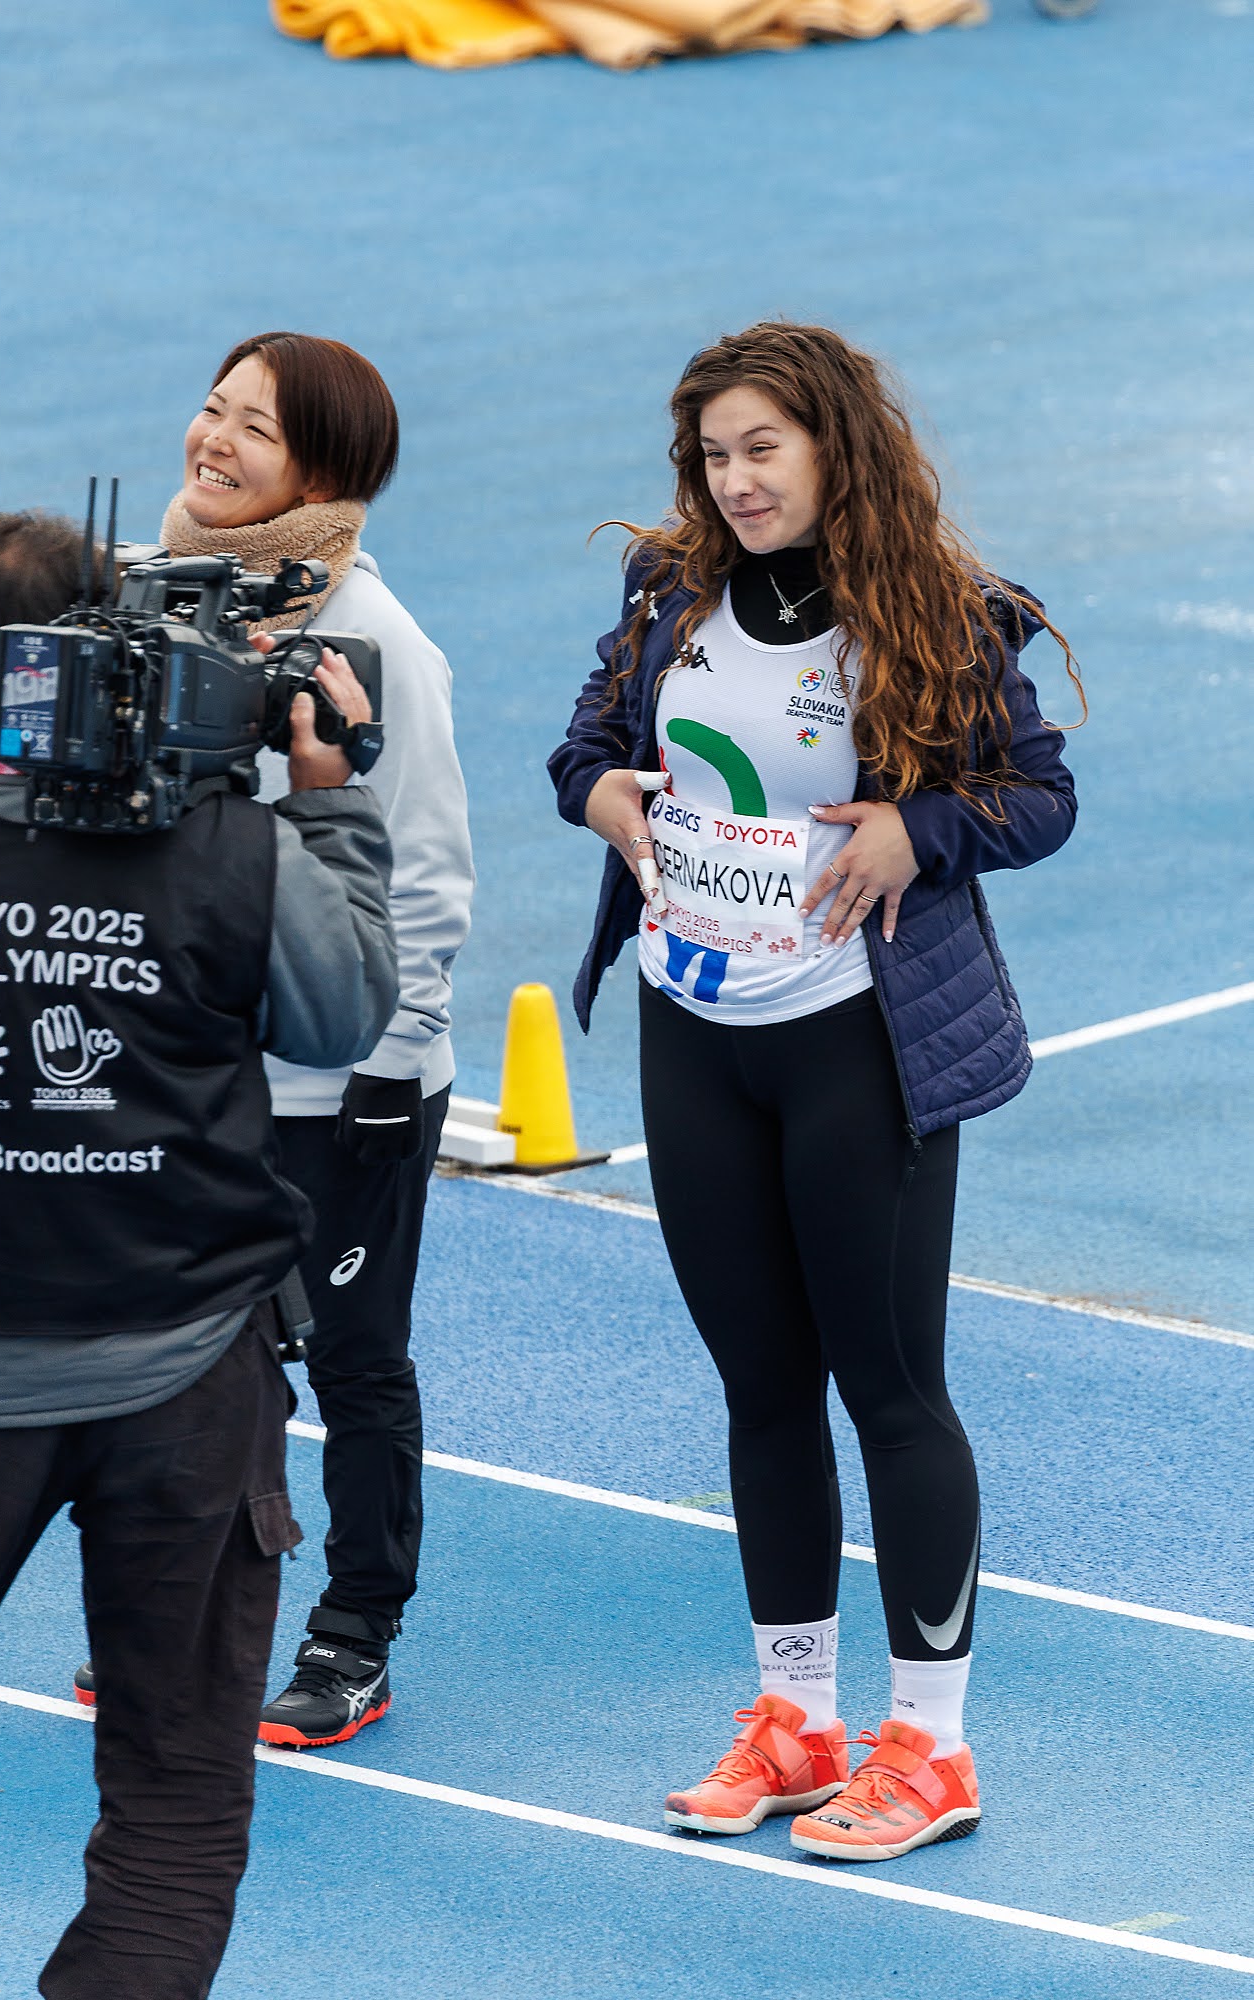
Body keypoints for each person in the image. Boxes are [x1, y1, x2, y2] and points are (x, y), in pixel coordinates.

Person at [549, 322, 1081, 1863]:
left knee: (889, 1391)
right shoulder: (667, 593)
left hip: (857, 1043)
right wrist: (598, 793)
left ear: (835, 448)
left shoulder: (931, 614)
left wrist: (918, 830)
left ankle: (930, 1747)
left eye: (761, 449)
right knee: (760, 1388)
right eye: (713, 456)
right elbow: (585, 747)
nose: (735, 480)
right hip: (693, 1031)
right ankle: (795, 1721)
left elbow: (1036, 794)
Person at [0, 510, 398, 1995]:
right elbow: (343, 1018)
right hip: (187, 1377)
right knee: (174, 1797)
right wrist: (327, 808)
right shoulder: (232, 852)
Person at [145, 330, 474, 1748]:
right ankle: (199, 1622)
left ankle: (353, 1635)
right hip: (196, 1070)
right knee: (193, 1359)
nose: (212, 440)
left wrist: (386, 1070)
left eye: (255, 429)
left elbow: (428, 879)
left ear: (325, 476)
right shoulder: (158, 600)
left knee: (351, 1358)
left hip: (342, 1086)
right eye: (211, 408)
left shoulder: (381, 645)